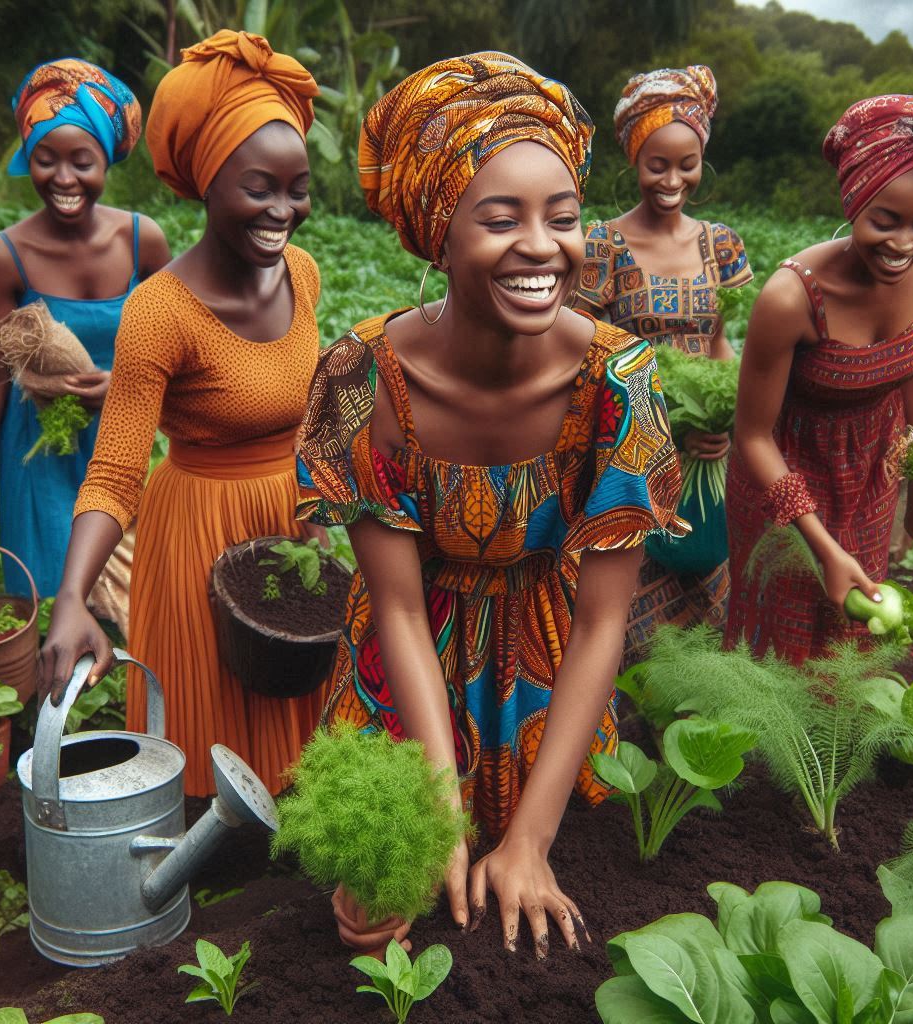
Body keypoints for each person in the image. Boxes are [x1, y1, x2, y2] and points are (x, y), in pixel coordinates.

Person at [295, 52, 686, 956]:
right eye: (500, 218)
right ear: (440, 234)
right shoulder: (366, 379)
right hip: (406, 665)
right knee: (371, 919)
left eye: (562, 217)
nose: (542, 247)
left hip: (547, 671)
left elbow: (602, 626)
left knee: (526, 892)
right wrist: (432, 798)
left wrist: (529, 843)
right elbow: (394, 601)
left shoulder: (615, 381)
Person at [39, 31, 326, 797]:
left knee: (298, 743)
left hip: (287, 530)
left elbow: (309, 419)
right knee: (212, 755)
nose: (282, 210)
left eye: (296, 187)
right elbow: (115, 470)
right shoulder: (160, 311)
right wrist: (71, 600)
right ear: (206, 181)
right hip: (196, 535)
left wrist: (322, 512)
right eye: (258, 187)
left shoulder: (303, 273)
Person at [727, 85, 913, 664]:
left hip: (869, 469)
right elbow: (752, 436)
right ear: (852, 203)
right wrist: (822, 548)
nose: (903, 244)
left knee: (854, 630)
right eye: (884, 221)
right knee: (780, 636)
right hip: (785, 473)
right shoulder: (792, 299)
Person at [0, 59, 169, 597]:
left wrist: (122, 387)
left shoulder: (143, 242)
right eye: (45, 160)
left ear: (106, 161)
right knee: (50, 595)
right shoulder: (4, 257)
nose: (64, 179)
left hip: (120, 441)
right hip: (38, 450)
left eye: (82, 161)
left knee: (132, 593)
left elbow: (180, 349)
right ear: (29, 160)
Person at [573, 66, 752, 666]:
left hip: (702, 462)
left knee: (706, 614)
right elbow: (578, 348)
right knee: (623, 625)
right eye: (657, 164)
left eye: (686, 164)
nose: (673, 180)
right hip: (627, 458)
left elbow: (722, 346)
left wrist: (725, 419)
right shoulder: (602, 245)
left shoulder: (720, 245)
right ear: (634, 159)